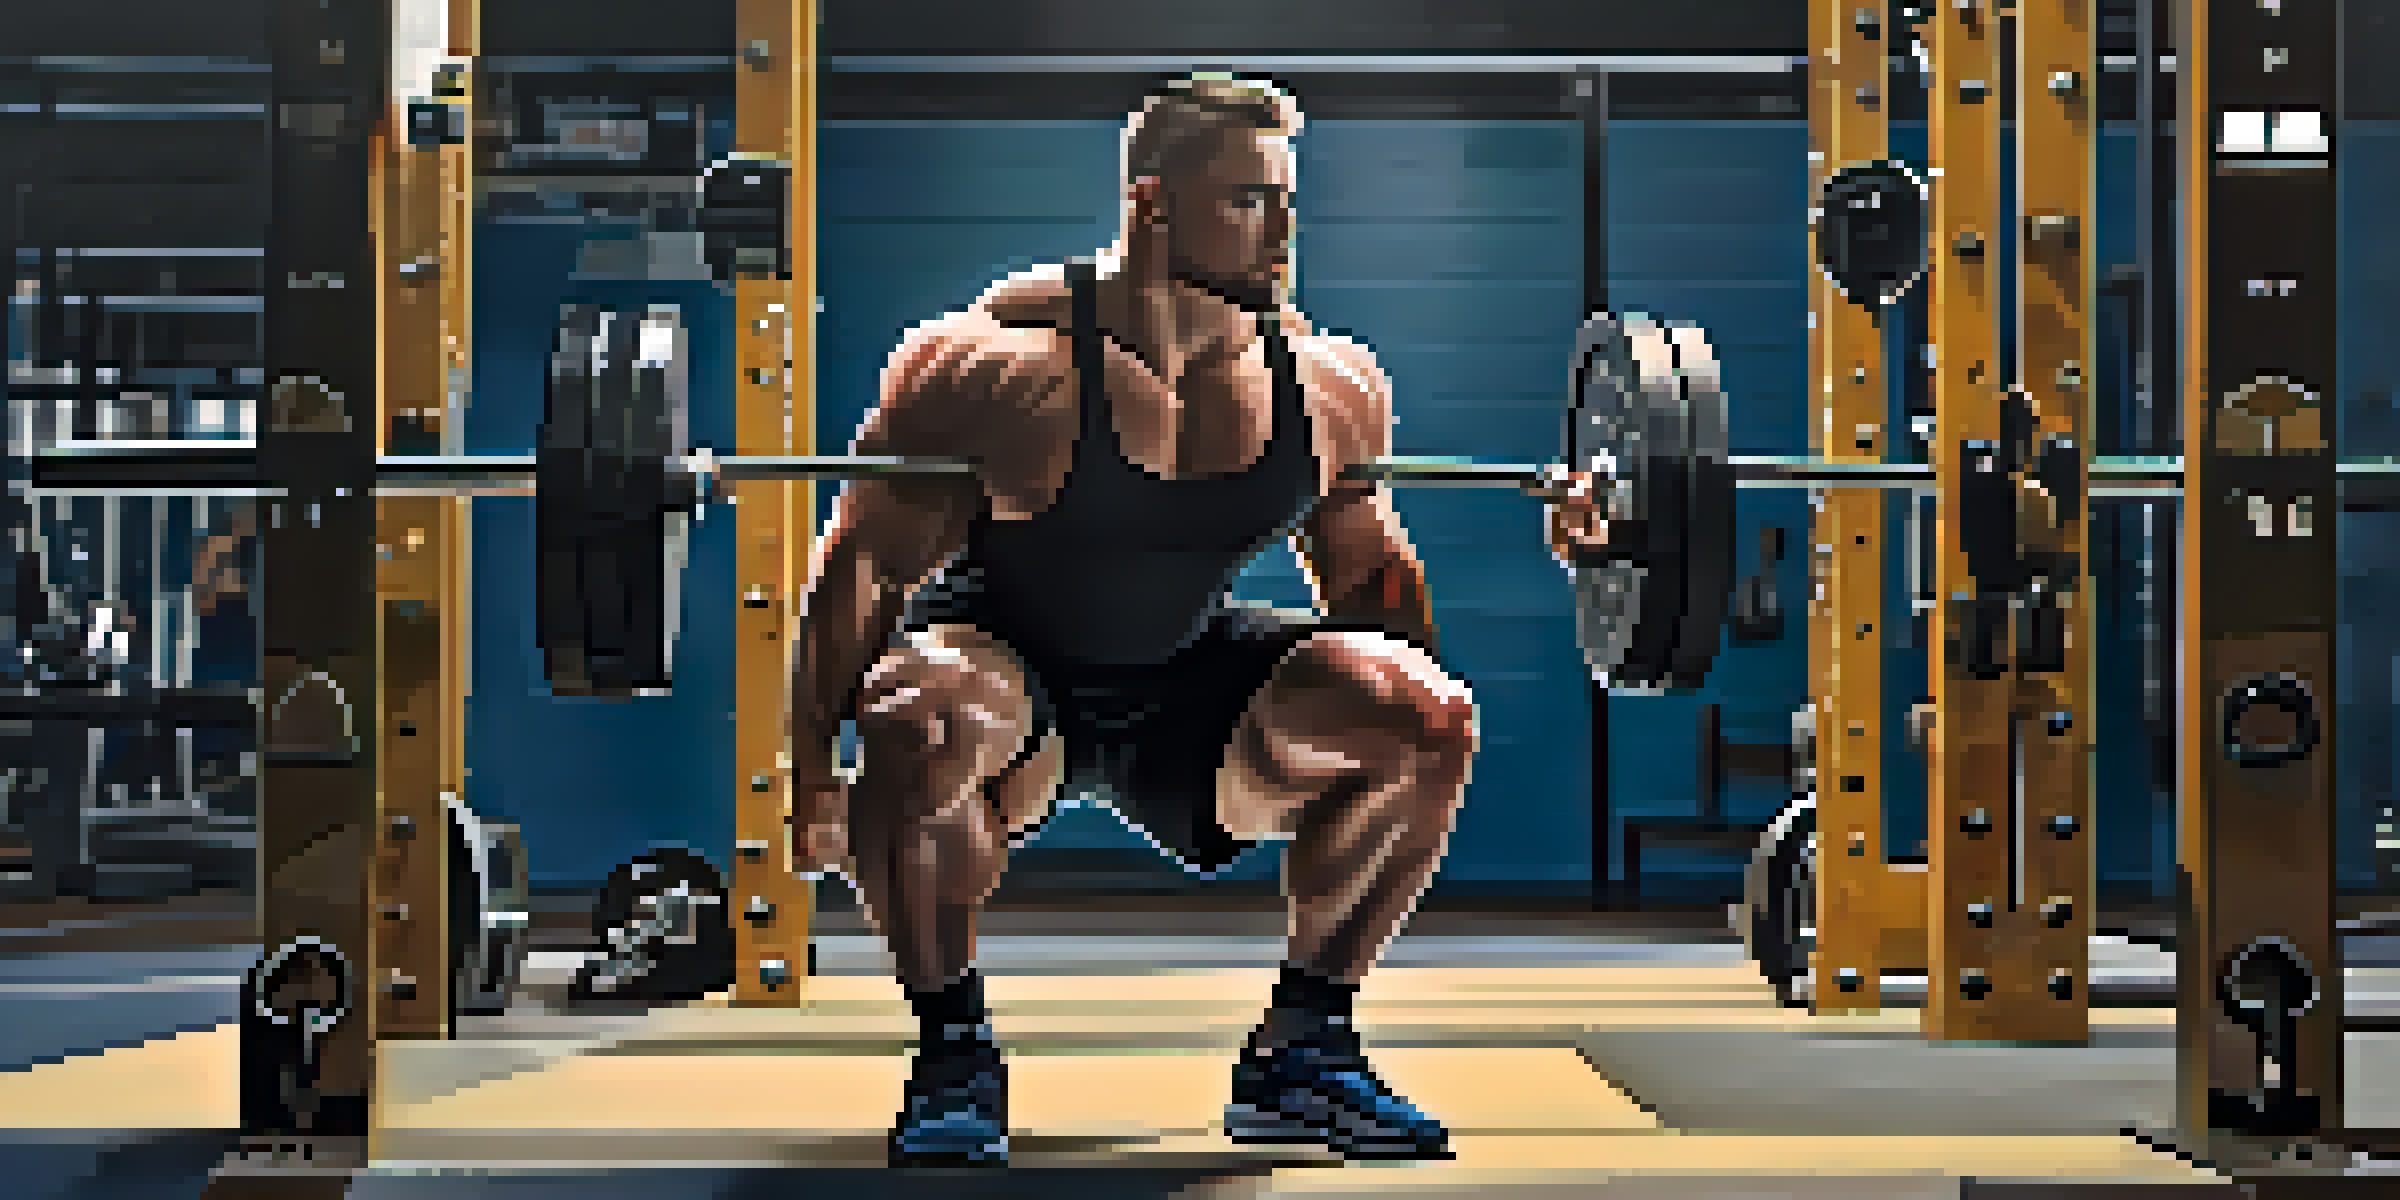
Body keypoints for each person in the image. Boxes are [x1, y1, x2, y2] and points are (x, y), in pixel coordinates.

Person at [786, 74, 1616, 1168]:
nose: (1281, 233)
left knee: (1430, 715)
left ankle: (1304, 1049)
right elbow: (861, 571)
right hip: (1005, 670)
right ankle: (953, 1053)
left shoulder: (1325, 385)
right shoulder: (997, 367)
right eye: (1246, 202)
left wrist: (1586, 554)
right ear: (1151, 203)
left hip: (1185, 677)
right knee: (917, 709)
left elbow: (1370, 585)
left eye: (1283, 201)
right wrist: (804, 781)